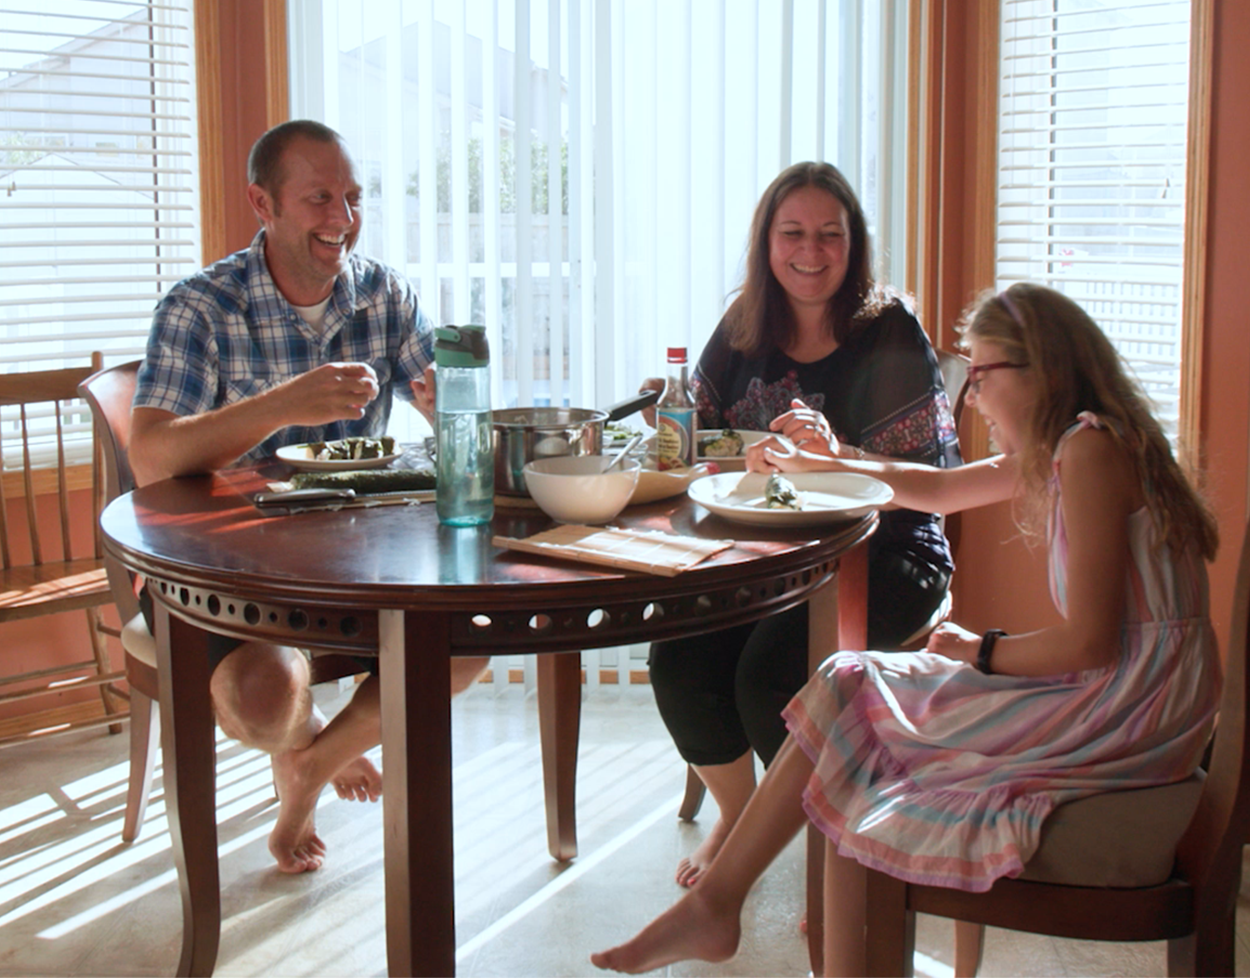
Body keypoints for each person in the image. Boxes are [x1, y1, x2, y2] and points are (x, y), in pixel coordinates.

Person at [591, 283, 1220, 974]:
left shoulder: (1092, 451)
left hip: (1130, 708)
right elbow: (940, 489)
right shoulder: (1078, 444)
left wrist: (980, 652)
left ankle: (727, 908)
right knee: (846, 683)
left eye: (980, 376)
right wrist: (828, 462)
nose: (972, 398)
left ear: (1043, 368)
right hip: (1130, 692)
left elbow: (1092, 644)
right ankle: (726, 906)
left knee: (853, 716)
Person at [128, 119, 486, 874]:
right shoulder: (200, 307)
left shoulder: (385, 295)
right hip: (221, 567)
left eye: (353, 198)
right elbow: (153, 458)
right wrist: (282, 404)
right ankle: (306, 735)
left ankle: (309, 766)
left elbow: (452, 409)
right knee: (265, 696)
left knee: (470, 640)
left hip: (354, 559)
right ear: (263, 203)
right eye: (320, 197)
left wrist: (447, 398)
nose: (343, 219)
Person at [641, 161, 960, 888]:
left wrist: (834, 452)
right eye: (793, 234)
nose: (810, 253)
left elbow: (927, 483)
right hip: (762, 553)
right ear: (767, 241)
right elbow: (705, 444)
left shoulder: (888, 332)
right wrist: (673, 421)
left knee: (774, 676)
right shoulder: (743, 324)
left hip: (888, 550)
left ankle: (829, 870)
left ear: (854, 244)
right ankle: (743, 817)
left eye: (829, 235)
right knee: (680, 662)